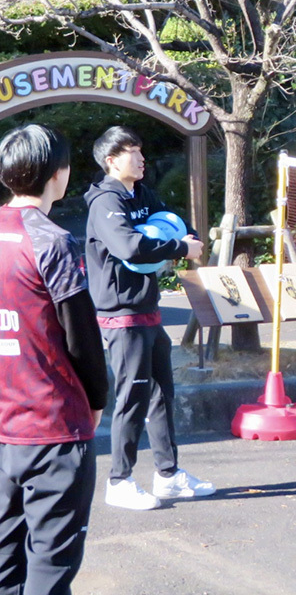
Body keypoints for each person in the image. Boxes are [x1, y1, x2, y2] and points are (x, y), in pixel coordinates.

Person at [0, 124, 108, 594]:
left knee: (4, 561)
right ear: (57, 174)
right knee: (51, 564)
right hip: (52, 427)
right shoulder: (53, 242)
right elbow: (83, 338)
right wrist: (97, 400)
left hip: (3, 427)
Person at [84, 126, 215, 511]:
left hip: (148, 307)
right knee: (132, 397)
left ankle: (168, 475)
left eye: (141, 152)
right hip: (121, 312)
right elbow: (128, 246)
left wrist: (185, 238)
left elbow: (171, 220)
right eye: (132, 153)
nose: (141, 159)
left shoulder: (141, 193)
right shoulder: (105, 200)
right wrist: (178, 247)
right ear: (112, 160)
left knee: (161, 394)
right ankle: (119, 480)